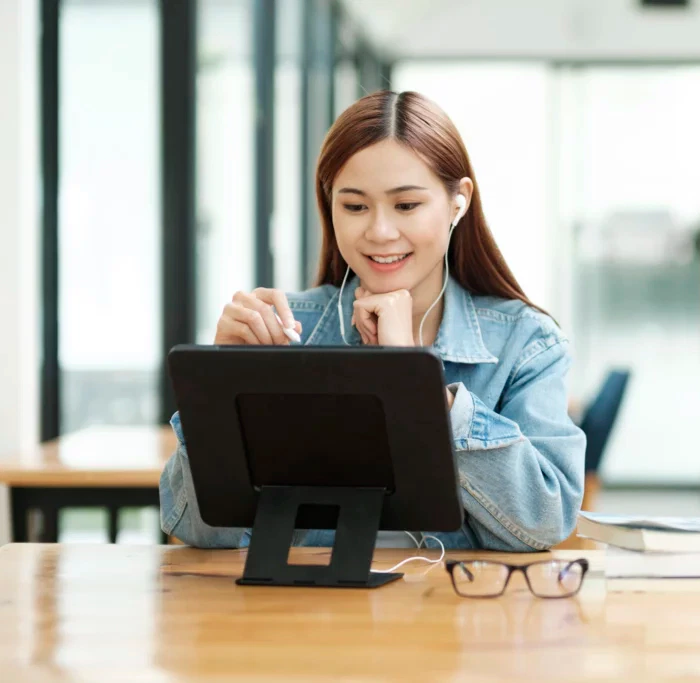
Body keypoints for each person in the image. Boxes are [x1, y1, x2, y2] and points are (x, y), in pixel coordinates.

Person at [159, 91, 585, 552]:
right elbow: (195, 529)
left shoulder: (526, 342)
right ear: (330, 204)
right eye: (356, 207)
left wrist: (420, 389)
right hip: (300, 616)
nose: (380, 232)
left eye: (406, 206)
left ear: (458, 202)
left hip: (453, 617)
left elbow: (547, 520)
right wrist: (220, 394)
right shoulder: (286, 331)